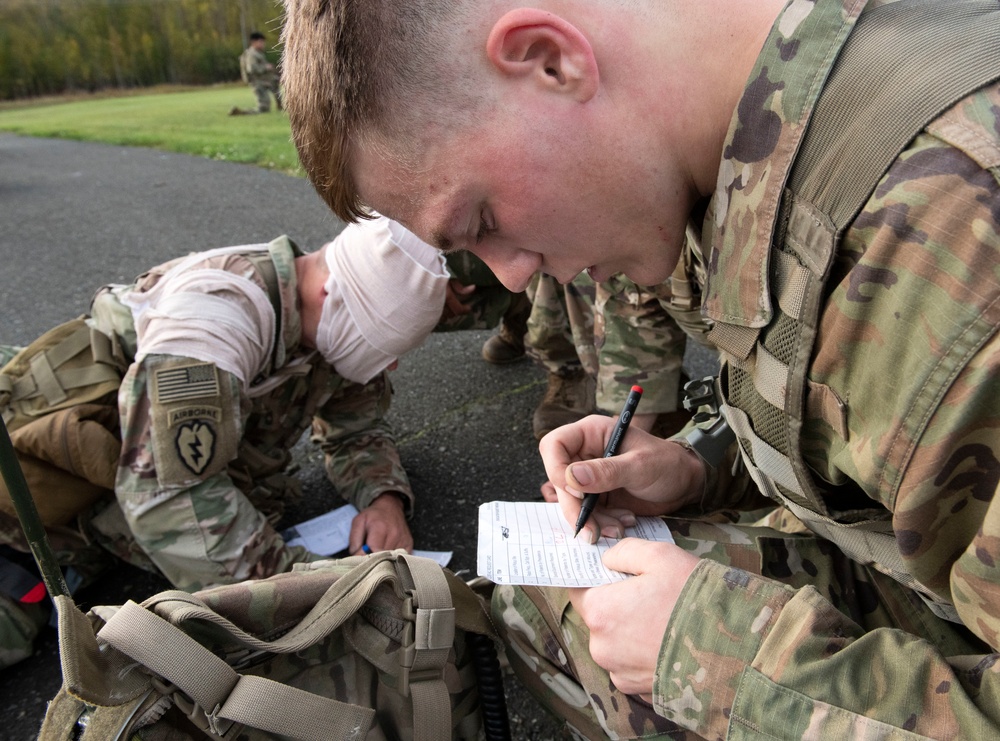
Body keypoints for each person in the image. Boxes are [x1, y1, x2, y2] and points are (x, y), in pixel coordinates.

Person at [281, 0, 1000, 737]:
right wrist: (695, 461)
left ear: (549, 60)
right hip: (903, 566)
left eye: (484, 223)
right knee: (552, 593)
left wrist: (720, 661)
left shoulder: (952, 237)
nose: (517, 277)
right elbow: (841, 401)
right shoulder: (736, 149)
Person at [0, 216, 449, 668]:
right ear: (329, 294)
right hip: (60, 492)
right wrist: (326, 594)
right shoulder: (209, 323)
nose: (389, 366)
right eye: (382, 345)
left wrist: (384, 498)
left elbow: (356, 428)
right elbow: (174, 499)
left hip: (146, 489)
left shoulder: (338, 320)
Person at [236, 31, 282, 114]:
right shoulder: (251, 54)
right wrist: (266, 67)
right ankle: (241, 112)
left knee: (275, 81)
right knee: (264, 108)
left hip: (264, 80)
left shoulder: (258, 53)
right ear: (254, 42)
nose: (263, 44)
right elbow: (251, 69)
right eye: (260, 42)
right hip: (258, 83)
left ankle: (280, 106)